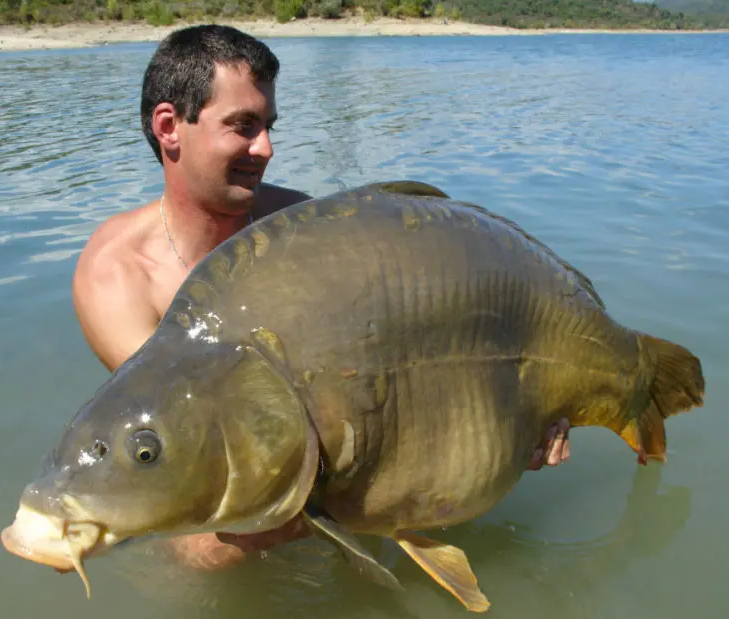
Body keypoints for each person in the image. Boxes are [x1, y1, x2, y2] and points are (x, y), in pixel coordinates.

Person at [72, 24, 571, 572]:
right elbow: (185, 436)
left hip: (335, 458)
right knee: (199, 555)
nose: (266, 148)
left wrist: (513, 410)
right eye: (243, 126)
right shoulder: (117, 275)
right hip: (236, 486)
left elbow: (415, 339)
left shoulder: (297, 228)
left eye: (268, 126)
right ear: (170, 127)